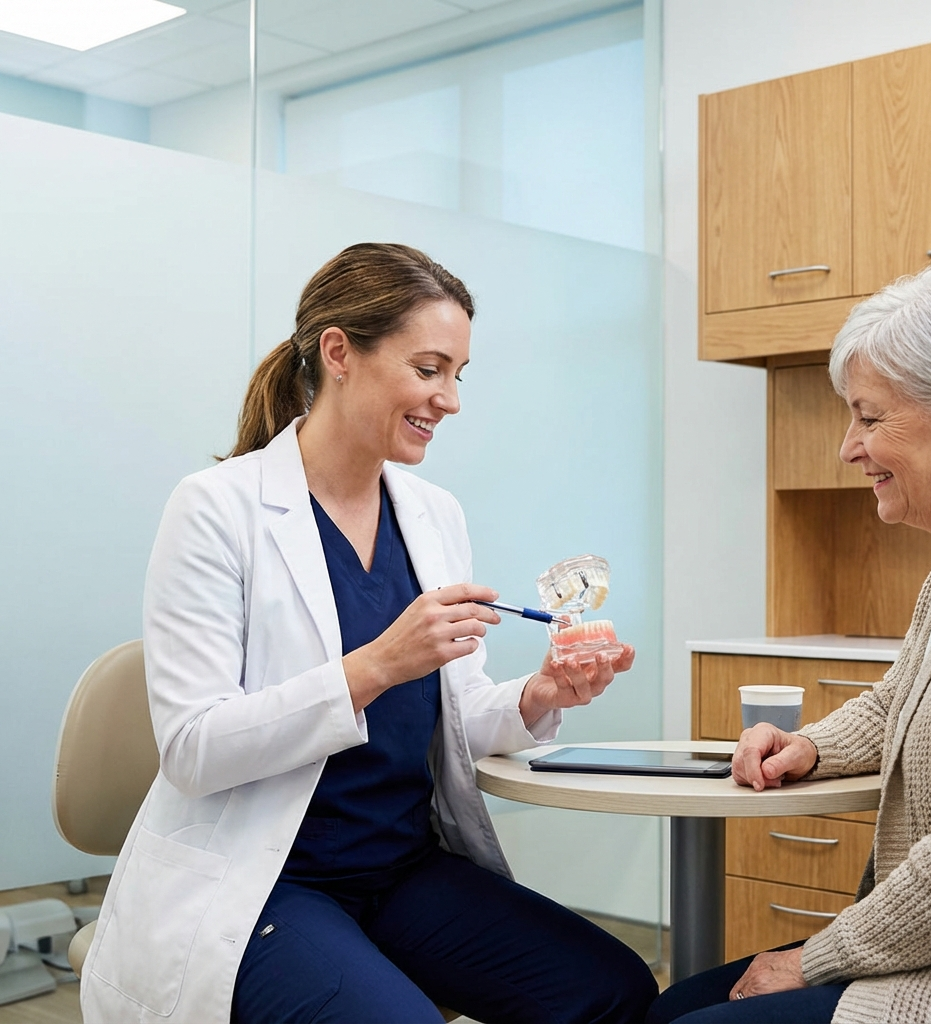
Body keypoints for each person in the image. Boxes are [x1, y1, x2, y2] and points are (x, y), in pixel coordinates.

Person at [81, 243, 658, 1024]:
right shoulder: (217, 508)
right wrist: (377, 664)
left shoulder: (432, 514)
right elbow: (193, 747)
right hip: (265, 881)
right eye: (429, 369)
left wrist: (538, 694)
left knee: (610, 990)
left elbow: (457, 714)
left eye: (458, 374)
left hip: (401, 868)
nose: (449, 399)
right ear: (338, 353)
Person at [647, 263, 931, 1024]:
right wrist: (809, 747)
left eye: (871, 417)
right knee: (667, 1008)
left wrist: (811, 958)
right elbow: (899, 702)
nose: (849, 447)